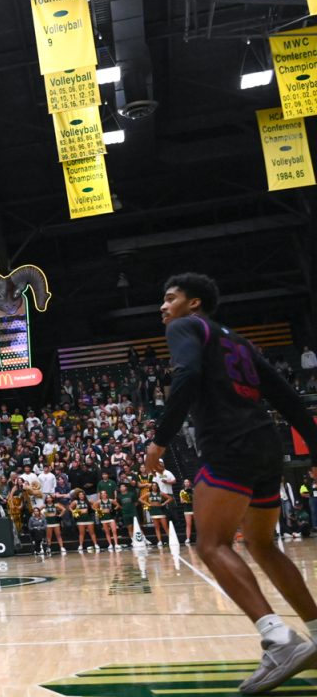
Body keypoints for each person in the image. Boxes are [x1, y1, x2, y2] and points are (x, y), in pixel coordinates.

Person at [145, 272, 317, 695]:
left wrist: (159, 440)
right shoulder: (239, 342)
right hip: (265, 447)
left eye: (170, 299)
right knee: (261, 545)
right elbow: (288, 398)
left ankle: (278, 640)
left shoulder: (187, 327)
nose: (163, 308)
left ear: (194, 304)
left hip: (228, 446)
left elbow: (184, 377)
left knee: (211, 544)